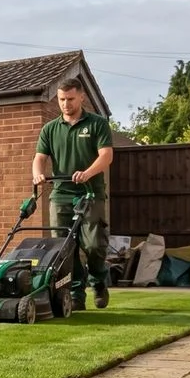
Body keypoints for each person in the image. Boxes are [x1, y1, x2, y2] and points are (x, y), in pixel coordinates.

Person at [31, 77, 114, 309]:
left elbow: (106, 155)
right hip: (61, 194)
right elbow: (39, 158)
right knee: (65, 247)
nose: (65, 104)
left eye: (69, 99)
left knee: (94, 244)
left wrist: (87, 173)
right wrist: (38, 174)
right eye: (61, 100)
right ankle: (76, 293)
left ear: (81, 97)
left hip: (90, 193)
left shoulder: (97, 124)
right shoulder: (50, 128)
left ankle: (98, 282)